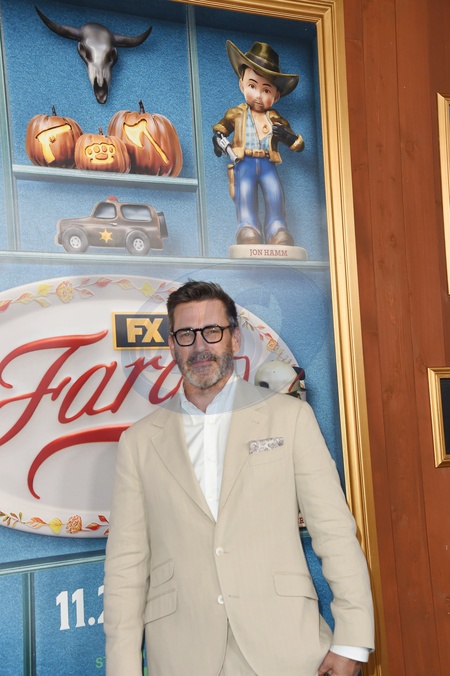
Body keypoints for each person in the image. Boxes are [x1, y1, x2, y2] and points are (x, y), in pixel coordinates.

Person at [103, 280, 374, 676]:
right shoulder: (139, 443)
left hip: (288, 650)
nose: (200, 346)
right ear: (172, 345)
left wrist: (352, 640)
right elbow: (125, 568)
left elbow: (333, 532)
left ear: (234, 338)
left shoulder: (290, 418)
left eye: (212, 331)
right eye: (186, 334)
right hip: (183, 657)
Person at [212, 41, 305, 247]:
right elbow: (221, 129)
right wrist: (218, 140)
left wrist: (286, 136)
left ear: (276, 96)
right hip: (244, 163)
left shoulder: (275, 118)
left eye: (266, 90)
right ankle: (248, 228)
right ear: (242, 85)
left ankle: (277, 229)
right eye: (252, 86)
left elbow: (297, 144)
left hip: (267, 164)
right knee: (245, 196)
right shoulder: (236, 114)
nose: (258, 96)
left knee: (275, 195)